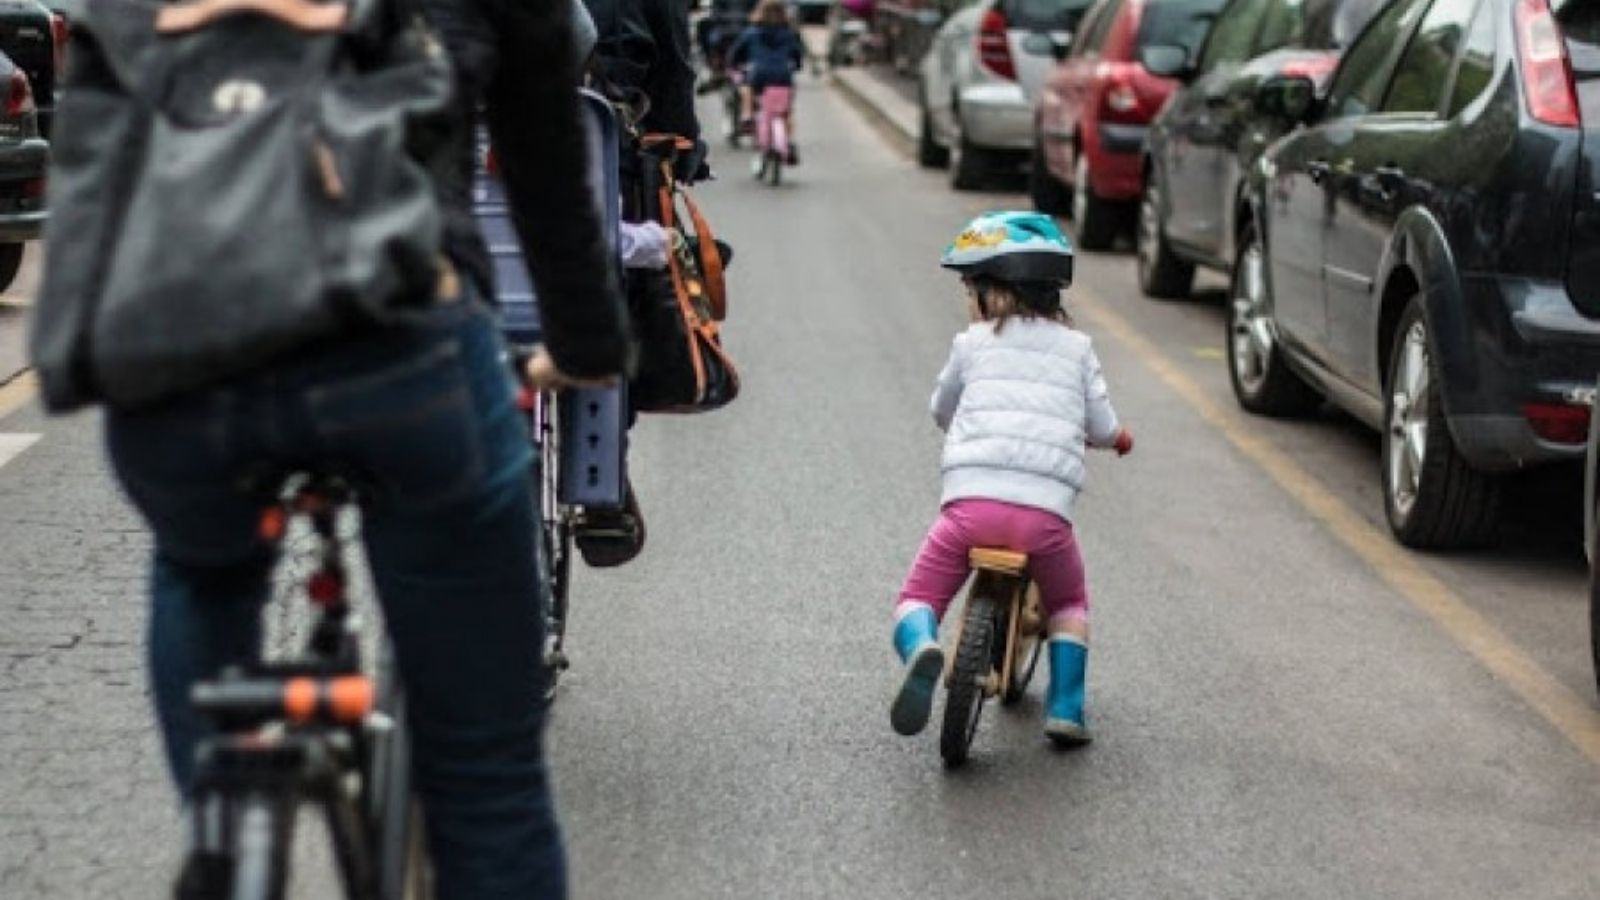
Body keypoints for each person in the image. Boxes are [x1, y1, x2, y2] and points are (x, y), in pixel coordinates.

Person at [39, 0, 629, 897]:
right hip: (399, 349)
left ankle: (222, 829)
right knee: (486, 777)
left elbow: (93, 151)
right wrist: (590, 348)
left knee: (204, 567)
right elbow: (547, 160)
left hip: (176, 356)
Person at [888, 211, 1134, 746]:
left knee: (917, 597)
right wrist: (1117, 439)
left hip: (969, 510)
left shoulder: (971, 344)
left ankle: (922, 646)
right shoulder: (1078, 350)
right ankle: (1067, 707)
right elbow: (1099, 423)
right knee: (1069, 606)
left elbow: (941, 408)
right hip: (1044, 519)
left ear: (989, 294)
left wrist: (963, 427)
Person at [729, 0, 805, 163]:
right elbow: (797, 56)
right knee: (786, 111)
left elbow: (735, 54)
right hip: (783, 76)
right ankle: (789, 142)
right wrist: (796, 66)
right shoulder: (790, 34)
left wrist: (734, 65)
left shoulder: (751, 33)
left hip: (759, 74)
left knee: (747, 86)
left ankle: (747, 114)